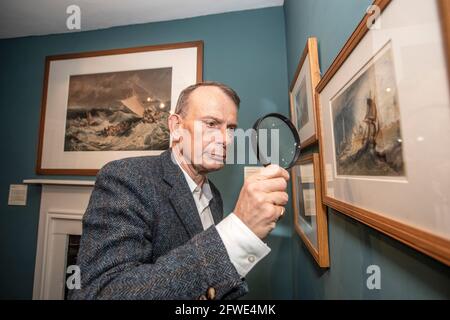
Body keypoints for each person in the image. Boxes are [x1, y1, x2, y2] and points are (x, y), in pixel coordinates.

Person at [69, 81, 289, 300]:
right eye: (211, 123)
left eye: (230, 128)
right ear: (176, 127)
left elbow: (213, 278)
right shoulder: (126, 178)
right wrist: (237, 231)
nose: (225, 140)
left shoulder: (215, 196)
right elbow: (100, 293)